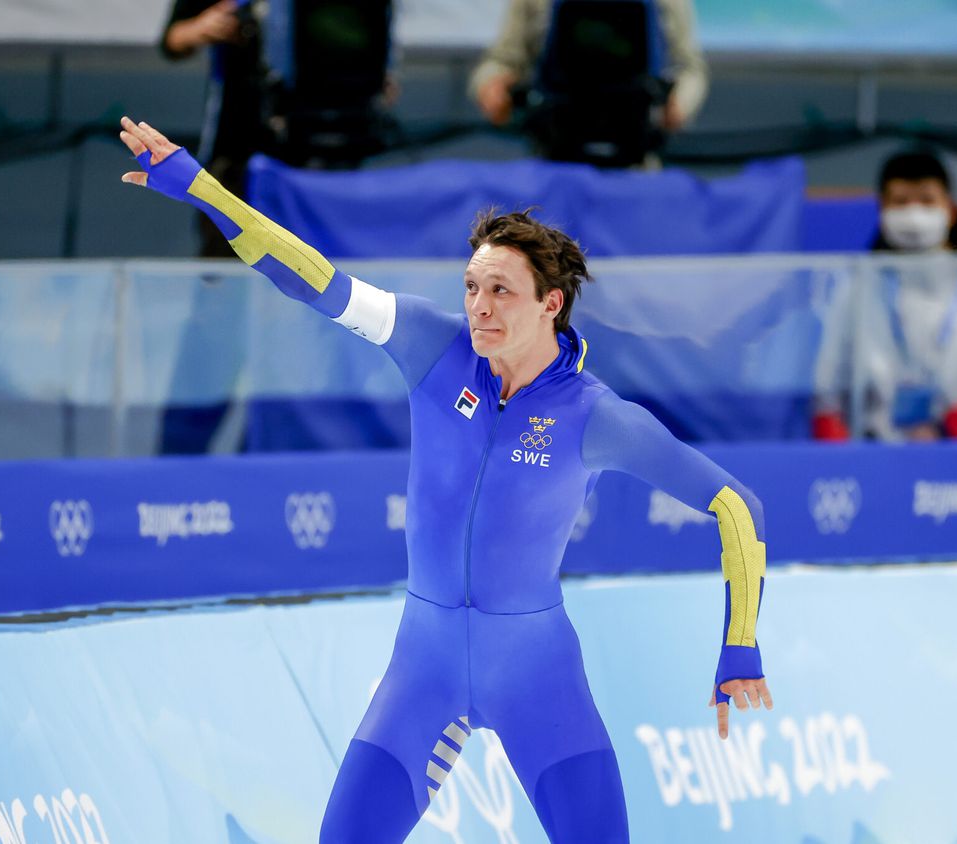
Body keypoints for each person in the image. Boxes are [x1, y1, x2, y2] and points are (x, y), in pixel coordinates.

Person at [118, 116, 772, 842]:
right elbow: (313, 280)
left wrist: (738, 642)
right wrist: (203, 188)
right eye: (470, 287)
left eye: (500, 291)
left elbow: (734, 507)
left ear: (550, 304)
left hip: (536, 677)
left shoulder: (595, 416)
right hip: (420, 669)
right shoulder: (432, 346)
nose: (479, 307)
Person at [813, 149, 957, 442]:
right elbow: (827, 394)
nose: (913, 214)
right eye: (900, 202)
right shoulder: (857, 289)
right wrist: (845, 465)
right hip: (882, 455)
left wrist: (949, 427)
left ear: (950, 210)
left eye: (926, 200)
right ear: (882, 210)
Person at [470, 0, 708, 135]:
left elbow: (689, 67)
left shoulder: (668, 4)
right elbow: (501, 60)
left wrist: (679, 103)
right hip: (554, 150)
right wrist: (493, 87)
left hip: (636, 155)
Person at [161, 0, 264, 258]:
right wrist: (200, 27)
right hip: (234, 142)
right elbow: (171, 40)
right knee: (225, 250)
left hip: (328, 137)